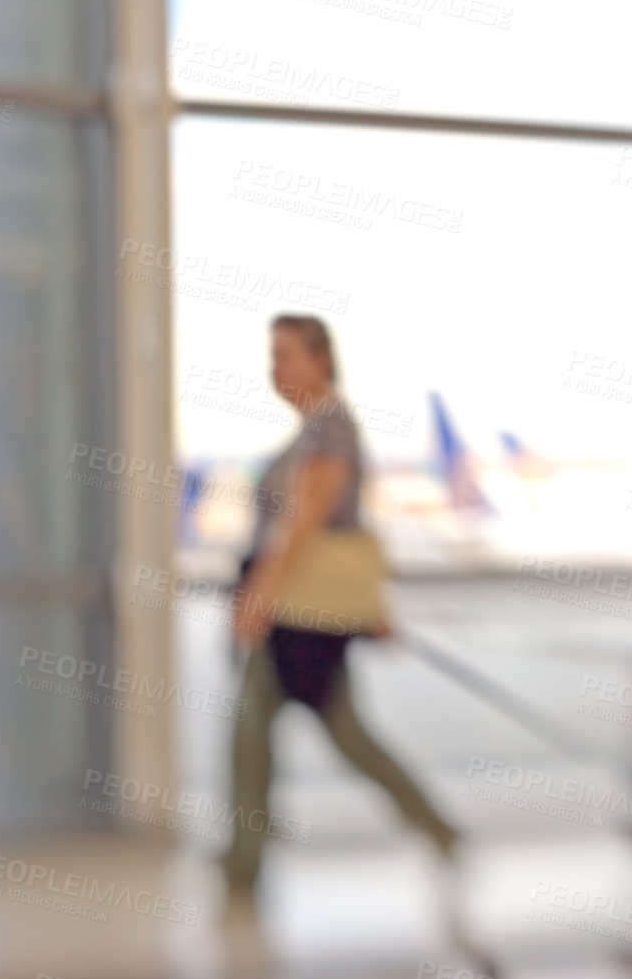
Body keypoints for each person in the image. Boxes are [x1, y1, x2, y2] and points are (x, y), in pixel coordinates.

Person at [221, 315, 458, 899]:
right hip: (296, 610)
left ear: (322, 360)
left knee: (306, 733)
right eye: (271, 357)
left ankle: (246, 859)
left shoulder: (329, 427)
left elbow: (307, 522)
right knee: (263, 733)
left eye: (286, 355)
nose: (275, 369)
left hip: (299, 612)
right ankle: (245, 854)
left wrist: (258, 594)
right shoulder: (315, 429)